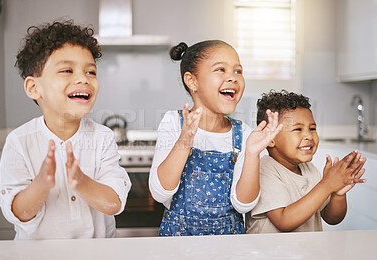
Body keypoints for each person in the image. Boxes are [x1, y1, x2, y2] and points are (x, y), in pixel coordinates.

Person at [0, 20, 131, 240]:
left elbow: (114, 203)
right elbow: (19, 212)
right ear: (34, 88)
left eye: (91, 72)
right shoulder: (19, 141)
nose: (83, 79)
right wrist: (40, 185)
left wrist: (81, 181)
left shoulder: (102, 137)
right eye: (67, 70)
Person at [149, 40, 283, 236]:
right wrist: (184, 142)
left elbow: (243, 204)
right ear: (192, 81)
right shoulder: (174, 123)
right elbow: (160, 193)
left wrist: (253, 153)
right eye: (221, 69)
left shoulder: (244, 133)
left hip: (229, 243)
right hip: (178, 242)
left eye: (238, 71)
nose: (233, 77)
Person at [246, 90, 367, 233]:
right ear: (270, 138)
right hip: (271, 254)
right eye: (298, 129)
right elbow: (284, 221)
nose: (308, 135)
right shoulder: (264, 170)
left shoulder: (310, 170)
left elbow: (332, 218)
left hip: (305, 253)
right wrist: (327, 184)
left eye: (312, 128)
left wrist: (338, 193)